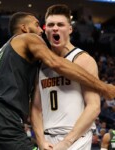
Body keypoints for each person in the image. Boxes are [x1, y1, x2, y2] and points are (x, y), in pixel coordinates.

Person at [0, 11, 115, 150]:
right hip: (1, 116)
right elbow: (56, 63)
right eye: (37, 24)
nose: (41, 30)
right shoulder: (28, 37)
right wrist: (103, 87)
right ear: (24, 28)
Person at [31, 4, 105, 150]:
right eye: (51, 25)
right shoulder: (41, 64)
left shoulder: (82, 59)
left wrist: (66, 142)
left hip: (76, 137)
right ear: (46, 30)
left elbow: (94, 106)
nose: (55, 28)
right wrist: (40, 141)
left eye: (60, 24)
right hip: (48, 139)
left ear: (70, 29)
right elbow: (35, 108)